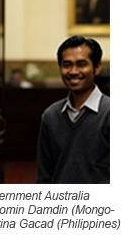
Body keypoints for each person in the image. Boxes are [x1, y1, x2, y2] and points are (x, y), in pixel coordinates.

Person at [36, 36, 110, 183]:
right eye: (67, 65)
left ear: (97, 68)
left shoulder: (110, 114)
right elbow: (44, 176)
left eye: (81, 64)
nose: (73, 71)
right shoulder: (50, 116)